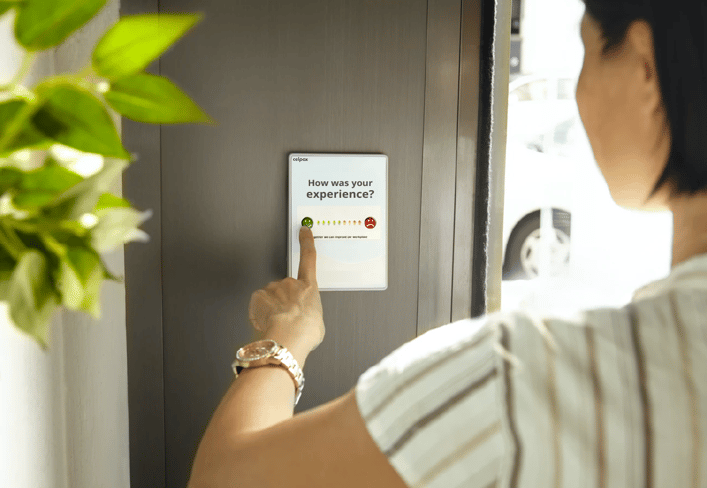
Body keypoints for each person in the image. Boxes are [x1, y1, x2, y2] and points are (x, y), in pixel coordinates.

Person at [188, 0, 707, 486]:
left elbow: (224, 478)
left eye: (586, 51)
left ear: (643, 66)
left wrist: (286, 341)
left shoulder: (519, 378)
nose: (579, 91)